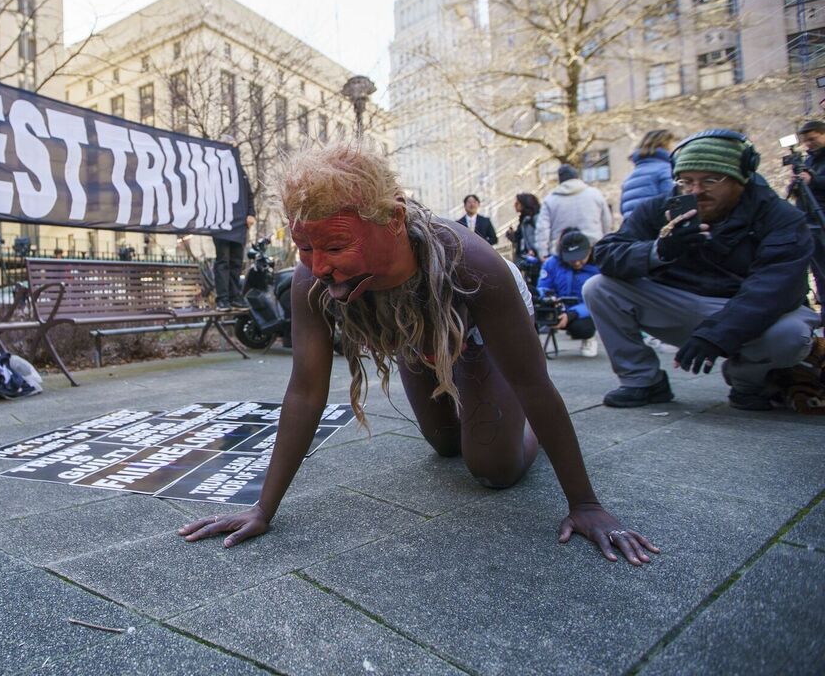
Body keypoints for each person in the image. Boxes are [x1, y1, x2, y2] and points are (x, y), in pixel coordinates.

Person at [179, 142, 658, 565]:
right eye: (304, 246)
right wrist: (263, 508)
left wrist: (585, 503)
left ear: (394, 220)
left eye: (335, 244)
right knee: (445, 446)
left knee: (493, 469)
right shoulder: (315, 275)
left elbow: (534, 384)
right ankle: (474, 401)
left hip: (471, 330)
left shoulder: (474, 266)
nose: (318, 265)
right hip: (408, 329)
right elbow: (306, 390)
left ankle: (520, 426)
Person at [585, 130, 819, 411]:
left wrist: (716, 334)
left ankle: (747, 381)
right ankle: (642, 381)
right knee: (599, 287)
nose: (696, 191)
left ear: (740, 178)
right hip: (687, 306)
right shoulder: (662, 208)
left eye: (710, 180)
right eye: (686, 181)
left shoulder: (780, 216)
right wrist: (658, 251)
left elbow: (774, 288)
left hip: (753, 311)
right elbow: (607, 253)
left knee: (792, 335)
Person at [537, 229, 601, 358]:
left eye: (580, 258)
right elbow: (542, 288)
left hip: (585, 310)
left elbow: (599, 300)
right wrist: (550, 302)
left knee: (582, 327)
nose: (576, 263)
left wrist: (572, 314)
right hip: (557, 307)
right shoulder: (551, 263)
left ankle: (589, 337)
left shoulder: (599, 267)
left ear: (589, 250)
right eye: (571, 259)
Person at [535, 164, 613, 258]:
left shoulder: (550, 200)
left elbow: (542, 229)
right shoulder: (595, 194)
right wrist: (606, 245)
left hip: (562, 251)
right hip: (593, 249)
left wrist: (543, 252)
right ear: (577, 177)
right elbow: (607, 222)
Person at [790, 119, 825, 314]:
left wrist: (814, 180)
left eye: (812, 139)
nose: (809, 144)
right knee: (820, 272)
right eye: (806, 141)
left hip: (822, 219)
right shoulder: (809, 160)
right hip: (810, 221)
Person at [211, 171, 256, 310]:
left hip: (239, 225)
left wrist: (251, 213)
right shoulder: (215, 170)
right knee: (223, 261)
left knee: (236, 262)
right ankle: (222, 299)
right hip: (220, 223)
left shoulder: (241, 173)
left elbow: (249, 195)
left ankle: (235, 297)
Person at [620, 130, 675, 219]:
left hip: (632, 229)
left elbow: (624, 210)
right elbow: (671, 202)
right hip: (656, 229)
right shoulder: (666, 170)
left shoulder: (629, 177)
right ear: (666, 146)